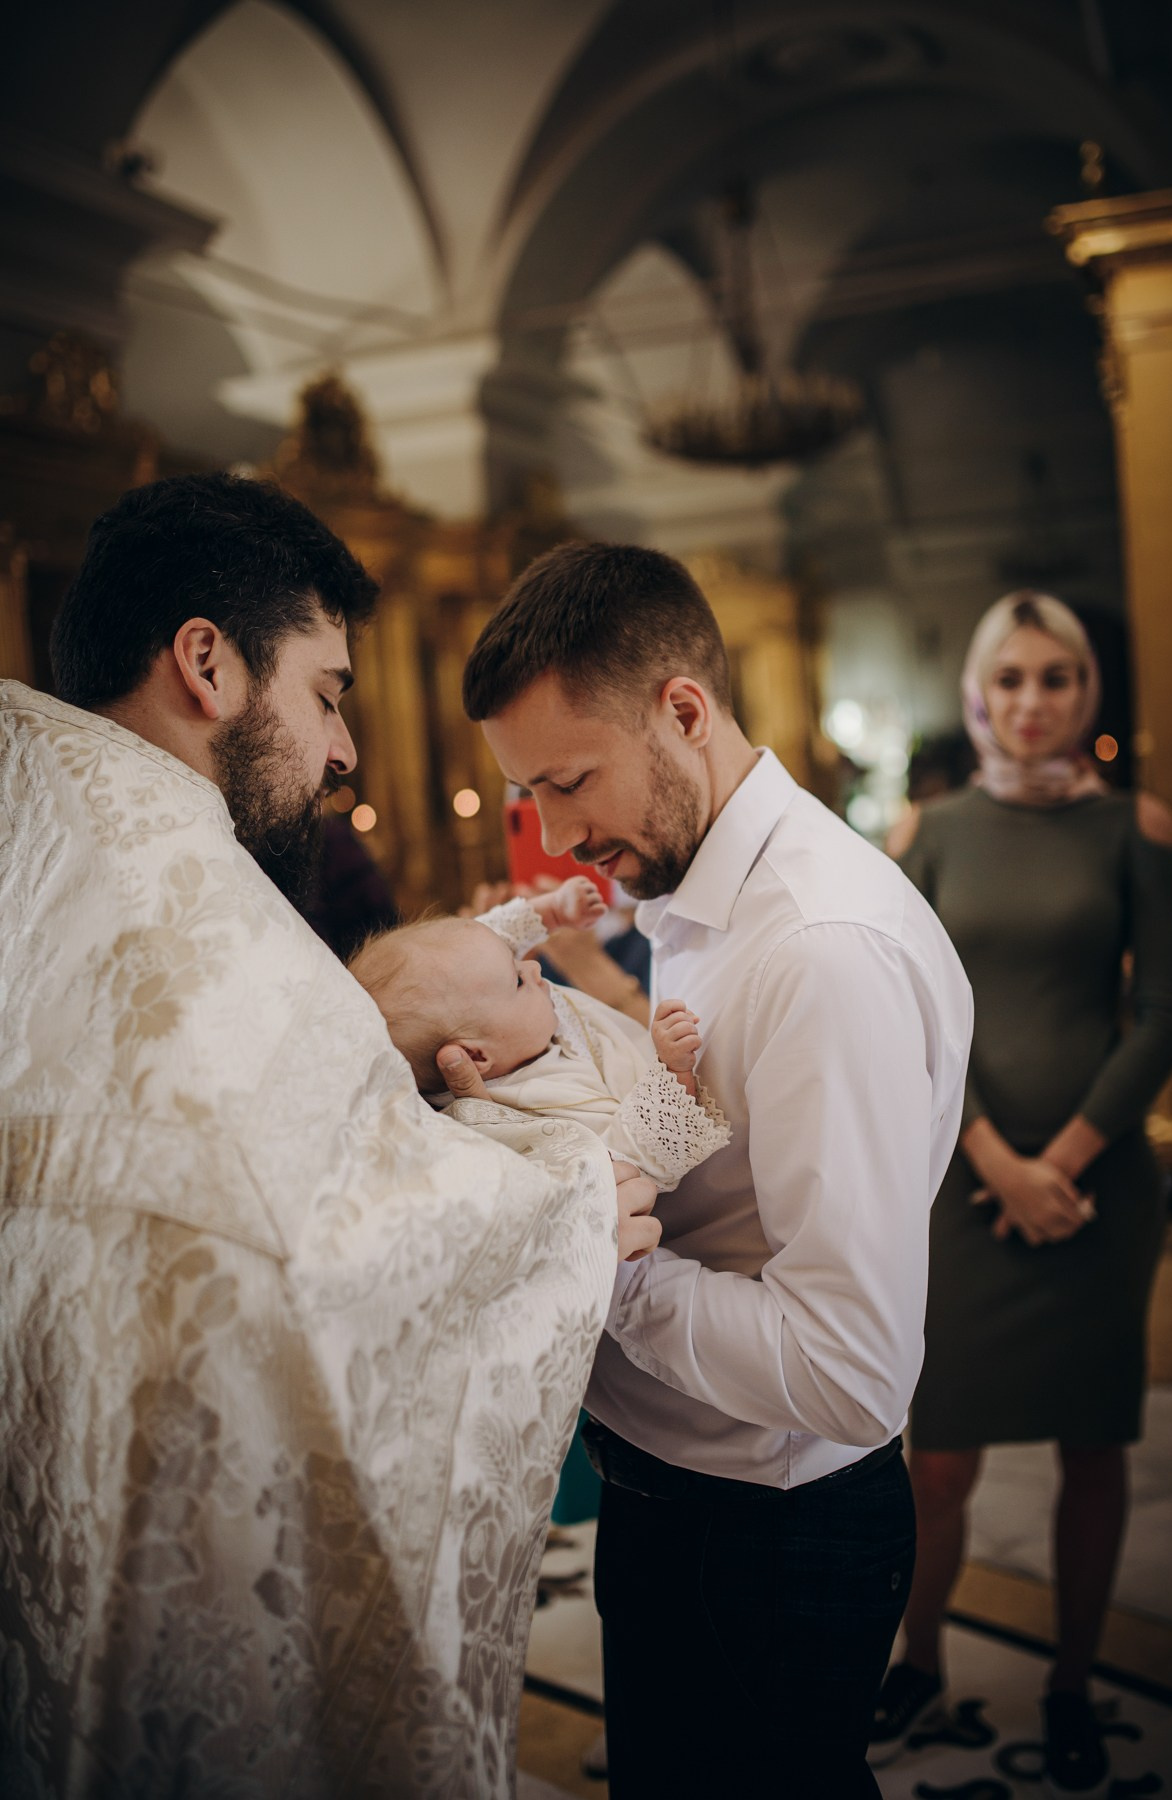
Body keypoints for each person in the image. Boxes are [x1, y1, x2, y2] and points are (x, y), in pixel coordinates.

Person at [0, 474, 659, 1799]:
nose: (345, 748)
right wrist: (574, 1207)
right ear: (207, 664)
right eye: (325, 693)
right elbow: (314, 1252)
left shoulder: (43, 853)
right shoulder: (189, 913)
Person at [436, 540, 974, 1799]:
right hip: (680, 1490)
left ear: (683, 710)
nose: (558, 836)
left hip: (766, 1533)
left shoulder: (820, 951)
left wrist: (593, 1259)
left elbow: (849, 1373)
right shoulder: (697, 886)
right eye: (528, 795)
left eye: (570, 782)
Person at [873, 592, 1172, 1794]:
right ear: (977, 693)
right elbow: (901, 1010)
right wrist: (1000, 1162)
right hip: (963, 1184)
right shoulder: (928, 830)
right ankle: (918, 1661)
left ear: (1085, 691)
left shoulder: (1132, 826)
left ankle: (1068, 1684)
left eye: (1056, 677)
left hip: (1098, 1194)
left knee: (1092, 1447)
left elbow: (1160, 1014)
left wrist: (1063, 1162)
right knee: (939, 1456)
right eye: (1009, 678)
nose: (1031, 701)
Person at [351, 874, 730, 1187]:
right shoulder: (541, 1110)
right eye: (518, 980)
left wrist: (552, 911)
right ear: (477, 1056)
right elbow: (636, 1155)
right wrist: (672, 1069)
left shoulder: (493, 1017)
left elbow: (487, 941)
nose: (533, 969)